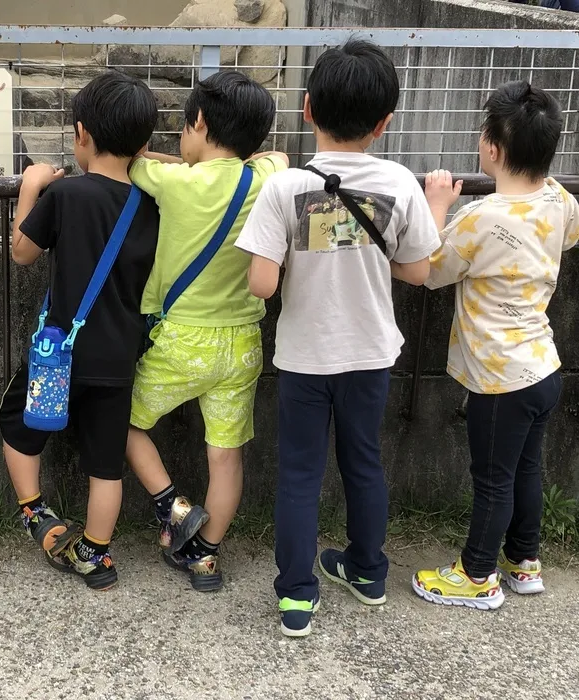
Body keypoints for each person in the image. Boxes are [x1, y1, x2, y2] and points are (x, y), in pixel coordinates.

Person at [235, 39, 441, 636]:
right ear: (384, 122)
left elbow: (261, 285)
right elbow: (420, 271)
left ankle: (297, 596)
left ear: (306, 108)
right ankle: (368, 572)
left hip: (304, 355)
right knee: (364, 464)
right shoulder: (401, 185)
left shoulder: (284, 189)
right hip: (370, 352)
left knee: (300, 474)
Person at [413, 81, 579, 609]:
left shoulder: (481, 218)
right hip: (541, 366)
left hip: (499, 376)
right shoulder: (559, 198)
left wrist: (436, 204)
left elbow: (429, 270)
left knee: (492, 478)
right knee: (526, 468)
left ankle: (477, 576)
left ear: (491, 148)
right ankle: (523, 561)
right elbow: (567, 235)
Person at [125, 70, 289, 593]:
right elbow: (278, 158)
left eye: (183, 129)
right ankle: (204, 557)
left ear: (198, 121)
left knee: (119, 420)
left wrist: (175, 160)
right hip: (242, 343)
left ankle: (173, 506)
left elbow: (129, 163)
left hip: (183, 343)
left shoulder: (175, 183)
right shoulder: (265, 179)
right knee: (225, 455)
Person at [0, 71, 160, 590]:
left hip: (59, 355)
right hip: (119, 358)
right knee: (105, 465)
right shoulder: (152, 205)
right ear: (145, 144)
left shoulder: (67, 196)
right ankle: (96, 555)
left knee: (18, 425)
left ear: (81, 134)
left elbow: (22, 253)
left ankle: (34, 511)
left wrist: (29, 187)